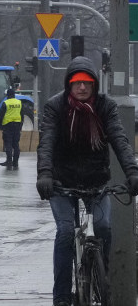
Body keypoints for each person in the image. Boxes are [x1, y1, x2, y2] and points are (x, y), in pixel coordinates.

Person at [37, 57, 138, 306]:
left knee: (104, 227)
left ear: (94, 85)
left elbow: (120, 140)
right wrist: (45, 174)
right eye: (76, 83)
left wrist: (132, 172)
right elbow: (46, 143)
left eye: (87, 83)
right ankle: (61, 296)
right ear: (68, 85)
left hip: (97, 182)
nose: (82, 88)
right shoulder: (55, 107)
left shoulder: (105, 107)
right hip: (61, 183)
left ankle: (99, 273)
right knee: (65, 233)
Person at [0, 87, 23, 167]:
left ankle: (9, 161)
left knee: (8, 143)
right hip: (17, 125)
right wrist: (20, 126)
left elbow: (1, 115)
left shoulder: (5, 103)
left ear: (8, 95)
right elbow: (22, 115)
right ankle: (15, 162)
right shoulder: (19, 102)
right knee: (16, 144)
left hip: (7, 125)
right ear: (14, 95)